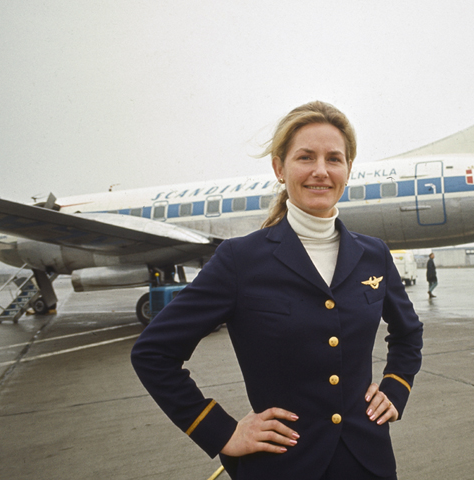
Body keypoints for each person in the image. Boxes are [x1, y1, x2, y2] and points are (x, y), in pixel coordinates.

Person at [131, 101, 423, 480]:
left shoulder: (374, 255)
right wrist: (222, 431)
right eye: (305, 157)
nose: (321, 171)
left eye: (334, 159)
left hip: (368, 462)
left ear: (348, 169)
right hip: (282, 466)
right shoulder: (240, 259)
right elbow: (153, 353)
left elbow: (408, 333)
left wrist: (396, 389)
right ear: (279, 168)